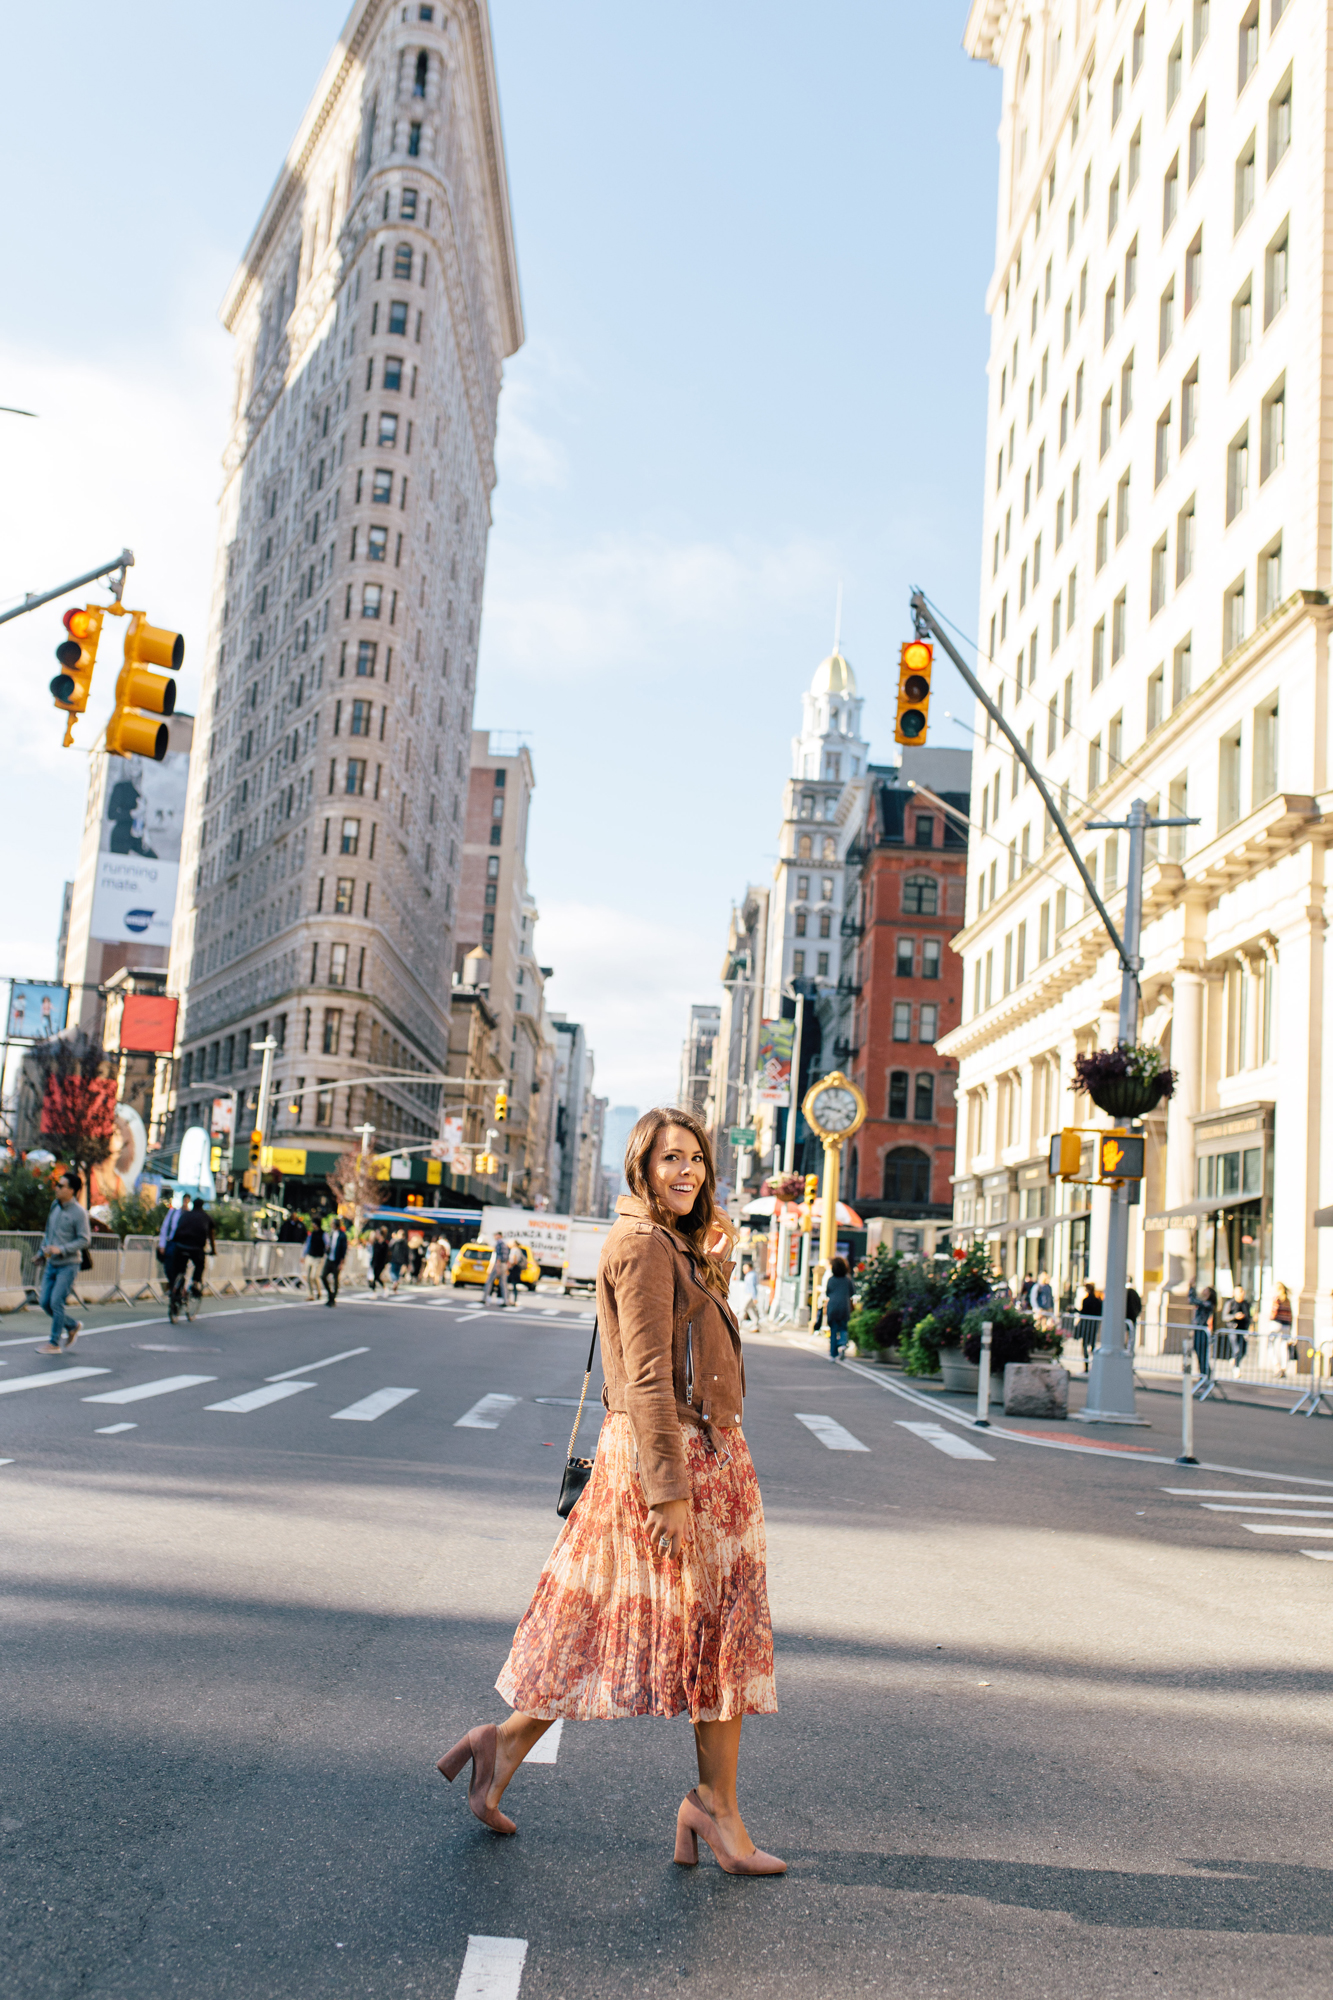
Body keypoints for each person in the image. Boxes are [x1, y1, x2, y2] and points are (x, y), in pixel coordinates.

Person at [438, 1106, 783, 1875]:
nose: (685, 1171)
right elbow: (652, 1374)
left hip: (698, 1452)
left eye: (694, 1158)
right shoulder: (641, 1245)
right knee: (717, 1633)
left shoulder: (671, 1243)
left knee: (608, 1616)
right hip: (676, 1460)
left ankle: (505, 1744)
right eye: (669, 1159)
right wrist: (669, 1492)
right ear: (641, 1169)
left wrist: (712, 1255)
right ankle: (714, 1809)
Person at [34, 1169, 91, 1353]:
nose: (56, 1188)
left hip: (69, 1265)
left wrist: (62, 1249)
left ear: (72, 1190)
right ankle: (72, 1325)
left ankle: (54, 1343)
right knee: (44, 1302)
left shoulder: (79, 1213)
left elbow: (85, 1239)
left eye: (61, 1186)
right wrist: (41, 1253)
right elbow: (48, 1234)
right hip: (51, 1264)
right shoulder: (55, 1206)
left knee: (56, 1302)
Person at [169, 1197, 213, 1305]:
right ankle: (195, 1282)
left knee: (179, 1269)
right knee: (200, 1265)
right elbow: (211, 1235)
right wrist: (213, 1250)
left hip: (180, 1246)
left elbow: (177, 1229)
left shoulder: (185, 1215)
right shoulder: (206, 1217)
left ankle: (176, 1288)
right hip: (196, 1248)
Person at [821, 1255, 853, 1360]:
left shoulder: (831, 1279)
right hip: (844, 1306)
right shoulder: (847, 1280)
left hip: (833, 1307)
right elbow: (852, 1292)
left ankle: (833, 1354)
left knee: (833, 1330)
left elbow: (828, 1292)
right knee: (843, 1327)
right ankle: (843, 1343)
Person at [1188, 1282, 1216, 1382]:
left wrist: (1191, 1287)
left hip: (1202, 1332)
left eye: (1206, 1290)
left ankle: (1206, 1377)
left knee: (1202, 1355)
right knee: (1199, 1354)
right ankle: (1204, 1376)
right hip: (1198, 1331)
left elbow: (1192, 1300)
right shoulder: (1204, 1303)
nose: (1203, 1291)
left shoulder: (1208, 1304)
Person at [1268, 1281, 1294, 1377]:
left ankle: (1276, 1365)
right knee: (1283, 1346)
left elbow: (1274, 1312)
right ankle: (1284, 1367)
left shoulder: (1277, 1299)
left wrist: (1270, 1317)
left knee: (1270, 1345)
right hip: (1286, 1325)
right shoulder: (1287, 1300)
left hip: (1276, 1323)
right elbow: (1290, 1315)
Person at [1222, 1288, 1251, 1371]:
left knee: (1243, 1350)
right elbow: (1224, 1317)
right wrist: (1235, 1316)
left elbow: (1249, 1317)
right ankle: (1236, 1367)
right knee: (1236, 1349)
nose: (1242, 1294)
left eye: (1242, 1292)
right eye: (1239, 1292)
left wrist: (1250, 1324)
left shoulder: (1246, 1304)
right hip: (1233, 1329)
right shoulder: (1230, 1303)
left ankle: (1235, 1361)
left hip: (1243, 1329)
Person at [323, 1220, 349, 1305]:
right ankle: (330, 1295)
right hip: (329, 1258)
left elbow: (344, 1249)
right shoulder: (331, 1233)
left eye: (333, 1224)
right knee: (323, 1276)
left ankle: (333, 1298)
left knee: (335, 1280)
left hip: (337, 1260)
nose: (331, 1225)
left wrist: (341, 1262)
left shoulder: (342, 1235)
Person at [1077, 1281, 1102, 1368]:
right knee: (1092, 1345)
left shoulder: (1087, 1300)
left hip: (1087, 1325)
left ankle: (1086, 1366)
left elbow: (1083, 1312)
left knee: (1084, 1345)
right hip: (1093, 1326)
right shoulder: (1098, 1301)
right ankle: (1093, 1365)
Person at [483, 1232, 510, 1308]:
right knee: (503, 1284)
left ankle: (484, 1298)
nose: (494, 1237)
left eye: (495, 1235)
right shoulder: (505, 1244)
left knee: (489, 1281)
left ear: (499, 1236)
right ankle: (506, 1300)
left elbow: (498, 1257)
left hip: (499, 1264)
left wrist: (497, 1267)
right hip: (504, 1265)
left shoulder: (499, 1244)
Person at [303, 1219, 326, 1300]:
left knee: (314, 1276)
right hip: (310, 1256)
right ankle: (311, 1294)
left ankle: (319, 1292)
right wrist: (304, 1255)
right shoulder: (312, 1234)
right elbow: (307, 1245)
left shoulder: (323, 1234)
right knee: (308, 1276)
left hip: (318, 1257)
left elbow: (327, 1244)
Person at [369, 1226, 391, 1292]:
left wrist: (385, 1263)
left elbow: (386, 1256)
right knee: (374, 1277)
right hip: (374, 1262)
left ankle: (382, 1289)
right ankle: (374, 1291)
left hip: (381, 1263)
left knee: (376, 1277)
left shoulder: (385, 1244)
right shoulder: (376, 1243)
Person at [1125, 1278, 1142, 1346]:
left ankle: (1126, 1345)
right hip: (1132, 1317)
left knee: (1126, 1332)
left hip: (1127, 1317)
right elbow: (1139, 1306)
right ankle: (1130, 1346)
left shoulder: (1126, 1293)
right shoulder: (1135, 1293)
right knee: (1131, 1333)